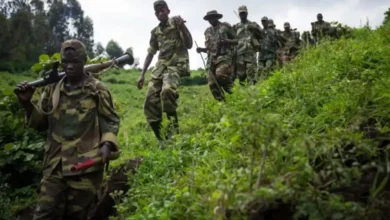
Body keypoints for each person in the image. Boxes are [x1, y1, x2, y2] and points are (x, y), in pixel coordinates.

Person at [14, 39, 120, 219]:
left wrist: (107, 145)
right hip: (54, 166)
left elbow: (110, 120)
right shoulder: (53, 88)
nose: (69, 66)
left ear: (84, 60)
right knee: (44, 214)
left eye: (75, 62)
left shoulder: (97, 90)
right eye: (66, 62)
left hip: (84, 169)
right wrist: (27, 104)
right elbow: (40, 124)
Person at [137, 0, 193, 148]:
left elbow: (189, 44)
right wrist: (142, 74)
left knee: (167, 91)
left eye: (163, 10)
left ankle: (174, 130)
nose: (161, 13)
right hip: (159, 69)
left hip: (175, 66)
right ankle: (162, 139)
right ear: (156, 15)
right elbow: (150, 53)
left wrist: (182, 26)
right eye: (158, 12)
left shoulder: (176, 23)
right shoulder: (155, 32)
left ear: (168, 11)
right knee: (149, 102)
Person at [196, 10, 237, 101]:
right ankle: (222, 102)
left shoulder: (225, 27)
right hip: (211, 59)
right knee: (211, 83)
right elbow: (210, 48)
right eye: (209, 18)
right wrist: (202, 50)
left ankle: (235, 93)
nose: (211, 20)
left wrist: (227, 41)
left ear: (217, 17)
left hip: (224, 56)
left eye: (213, 17)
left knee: (220, 74)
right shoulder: (207, 31)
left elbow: (237, 40)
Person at [233, 5, 262, 85]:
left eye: (244, 13)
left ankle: (252, 93)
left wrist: (254, 28)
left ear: (247, 13)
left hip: (250, 53)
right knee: (241, 76)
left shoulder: (253, 24)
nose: (242, 15)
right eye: (241, 13)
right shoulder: (236, 27)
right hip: (240, 54)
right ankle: (243, 94)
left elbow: (261, 34)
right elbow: (232, 39)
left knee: (251, 74)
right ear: (239, 14)